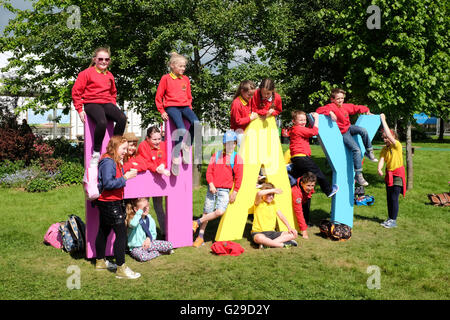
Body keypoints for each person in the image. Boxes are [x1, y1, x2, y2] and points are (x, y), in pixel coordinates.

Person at [72, 47, 127, 169]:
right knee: (101, 121)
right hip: (91, 103)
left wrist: (112, 105)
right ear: (95, 60)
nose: (103, 61)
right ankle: (96, 152)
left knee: (122, 118)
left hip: (106, 103)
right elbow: (76, 92)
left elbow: (113, 93)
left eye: (106, 59)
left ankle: (115, 148)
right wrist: (80, 110)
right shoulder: (86, 73)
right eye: (100, 59)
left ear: (109, 61)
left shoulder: (110, 75)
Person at [94, 135, 140, 279]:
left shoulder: (112, 160)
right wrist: (126, 177)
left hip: (108, 202)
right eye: (123, 148)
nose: (125, 152)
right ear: (114, 147)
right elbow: (108, 184)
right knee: (121, 234)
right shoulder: (108, 162)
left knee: (104, 230)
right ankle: (121, 268)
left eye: (126, 149)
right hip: (110, 202)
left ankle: (100, 261)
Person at [316, 88, 378, 186]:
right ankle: (358, 174)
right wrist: (330, 112)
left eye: (342, 98)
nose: (340, 100)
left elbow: (355, 108)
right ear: (332, 99)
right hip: (343, 133)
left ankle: (369, 152)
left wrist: (366, 110)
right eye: (338, 99)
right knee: (356, 150)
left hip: (349, 128)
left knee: (363, 130)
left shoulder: (345, 106)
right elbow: (319, 110)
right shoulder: (331, 106)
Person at [192, 131, 243, 248]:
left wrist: (235, 192)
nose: (229, 146)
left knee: (220, 211)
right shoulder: (216, 155)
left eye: (232, 143)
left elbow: (239, 177)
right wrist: (210, 184)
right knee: (207, 211)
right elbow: (209, 171)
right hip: (212, 189)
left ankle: (196, 222)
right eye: (227, 143)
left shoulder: (237, 158)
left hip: (225, 191)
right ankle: (200, 237)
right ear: (224, 144)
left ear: (235, 144)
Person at [155, 52, 200, 175]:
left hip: (185, 107)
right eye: (180, 66)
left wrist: (189, 107)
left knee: (196, 123)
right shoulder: (166, 78)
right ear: (172, 66)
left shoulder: (185, 79)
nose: (183, 69)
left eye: (184, 66)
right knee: (181, 129)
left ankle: (186, 146)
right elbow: (158, 96)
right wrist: (162, 110)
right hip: (172, 107)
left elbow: (189, 96)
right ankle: (175, 158)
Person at [289, 110, 338, 197]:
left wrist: (311, 118)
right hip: (302, 157)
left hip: (296, 158)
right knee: (318, 173)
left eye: (304, 120)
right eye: (300, 120)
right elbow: (314, 132)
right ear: (294, 121)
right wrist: (316, 119)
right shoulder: (298, 129)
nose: (303, 122)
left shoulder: (295, 129)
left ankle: (292, 173)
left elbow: (308, 129)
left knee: (301, 176)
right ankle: (329, 190)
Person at [137, 126, 170, 237]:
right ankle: (141, 233)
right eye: (154, 139)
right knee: (143, 206)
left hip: (158, 181)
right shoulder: (143, 146)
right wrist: (157, 168)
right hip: (145, 181)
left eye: (159, 139)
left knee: (159, 206)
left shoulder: (163, 145)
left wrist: (163, 165)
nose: (157, 142)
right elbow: (145, 162)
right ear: (147, 138)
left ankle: (165, 232)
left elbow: (165, 158)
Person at [377, 113, 406, 229]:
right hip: (389, 175)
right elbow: (382, 159)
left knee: (394, 197)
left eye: (387, 137)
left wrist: (383, 120)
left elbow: (389, 134)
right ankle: (390, 218)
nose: (385, 139)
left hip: (397, 175)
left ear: (393, 138)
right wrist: (379, 168)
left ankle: (393, 220)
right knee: (389, 198)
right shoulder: (385, 149)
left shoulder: (397, 145)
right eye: (383, 138)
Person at [251, 182, 298, 248]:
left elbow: (281, 216)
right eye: (268, 194)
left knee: (294, 233)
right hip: (259, 232)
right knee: (258, 238)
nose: (271, 196)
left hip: (272, 233)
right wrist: (273, 190)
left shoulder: (273, 203)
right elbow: (259, 193)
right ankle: (283, 244)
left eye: (273, 195)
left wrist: (289, 228)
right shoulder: (258, 203)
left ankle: (267, 244)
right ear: (264, 194)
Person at [126, 197, 174, 262]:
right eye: (143, 208)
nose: (146, 209)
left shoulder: (149, 219)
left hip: (149, 243)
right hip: (136, 247)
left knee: (170, 245)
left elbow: (153, 233)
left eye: (147, 207)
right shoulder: (134, 219)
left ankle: (151, 251)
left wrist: (148, 239)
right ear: (136, 209)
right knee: (143, 257)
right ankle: (159, 252)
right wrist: (139, 212)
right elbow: (133, 224)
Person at [230, 80, 259, 147]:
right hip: (239, 132)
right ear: (242, 91)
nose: (251, 97)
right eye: (249, 94)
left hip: (249, 130)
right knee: (244, 154)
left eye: (252, 95)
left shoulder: (249, 100)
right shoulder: (236, 103)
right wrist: (250, 118)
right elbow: (237, 121)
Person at [291, 172, 317, 239]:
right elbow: (298, 211)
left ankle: (306, 222)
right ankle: (303, 225)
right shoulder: (296, 192)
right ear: (302, 183)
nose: (311, 188)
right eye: (308, 185)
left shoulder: (308, 187)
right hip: (296, 202)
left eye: (313, 185)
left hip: (305, 197)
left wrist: (309, 193)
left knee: (306, 208)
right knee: (300, 212)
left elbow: (311, 190)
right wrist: (304, 230)